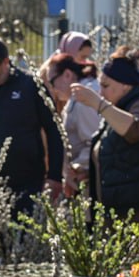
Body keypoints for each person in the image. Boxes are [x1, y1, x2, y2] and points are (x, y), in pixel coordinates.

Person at [70, 50, 139, 244]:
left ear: (125, 85)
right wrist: (89, 172)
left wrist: (98, 104)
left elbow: (136, 129)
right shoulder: (117, 108)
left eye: (105, 86)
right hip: (116, 212)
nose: (101, 92)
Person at [0, 35, 65, 215]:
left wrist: (54, 176)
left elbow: (54, 129)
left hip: (28, 183)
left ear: (5, 62)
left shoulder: (30, 85)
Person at [44, 52, 99, 198]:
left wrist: (75, 169)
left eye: (52, 82)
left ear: (67, 74)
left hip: (88, 180)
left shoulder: (83, 100)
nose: (52, 89)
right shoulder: (78, 97)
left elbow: (94, 142)